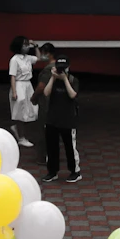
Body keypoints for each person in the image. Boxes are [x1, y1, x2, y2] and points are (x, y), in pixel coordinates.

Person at [35, 44, 81, 184]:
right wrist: (53, 78)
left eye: (64, 67)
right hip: (52, 118)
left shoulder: (73, 80)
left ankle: (75, 171)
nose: (62, 70)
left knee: (69, 147)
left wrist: (65, 79)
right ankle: (52, 171)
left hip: (68, 119)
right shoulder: (52, 79)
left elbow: (73, 95)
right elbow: (46, 92)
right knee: (51, 146)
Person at [7, 36, 38, 150]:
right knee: (20, 112)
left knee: (31, 111)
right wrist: (14, 91)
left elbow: (39, 58)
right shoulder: (14, 59)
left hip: (28, 85)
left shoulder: (28, 58)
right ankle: (21, 137)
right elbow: (13, 76)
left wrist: (35, 46)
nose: (26, 46)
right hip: (19, 85)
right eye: (24, 44)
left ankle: (17, 129)